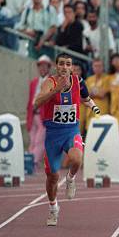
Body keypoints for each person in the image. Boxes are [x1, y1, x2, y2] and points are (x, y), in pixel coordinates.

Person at [33, 54, 101, 227]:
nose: (64, 67)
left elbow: (85, 99)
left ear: (72, 67)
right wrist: (56, 90)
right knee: (52, 176)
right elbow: (37, 103)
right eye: (61, 64)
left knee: (77, 158)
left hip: (71, 130)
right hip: (53, 134)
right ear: (57, 66)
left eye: (68, 64)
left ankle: (71, 179)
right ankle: (53, 208)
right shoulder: (50, 82)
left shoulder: (79, 82)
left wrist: (95, 108)